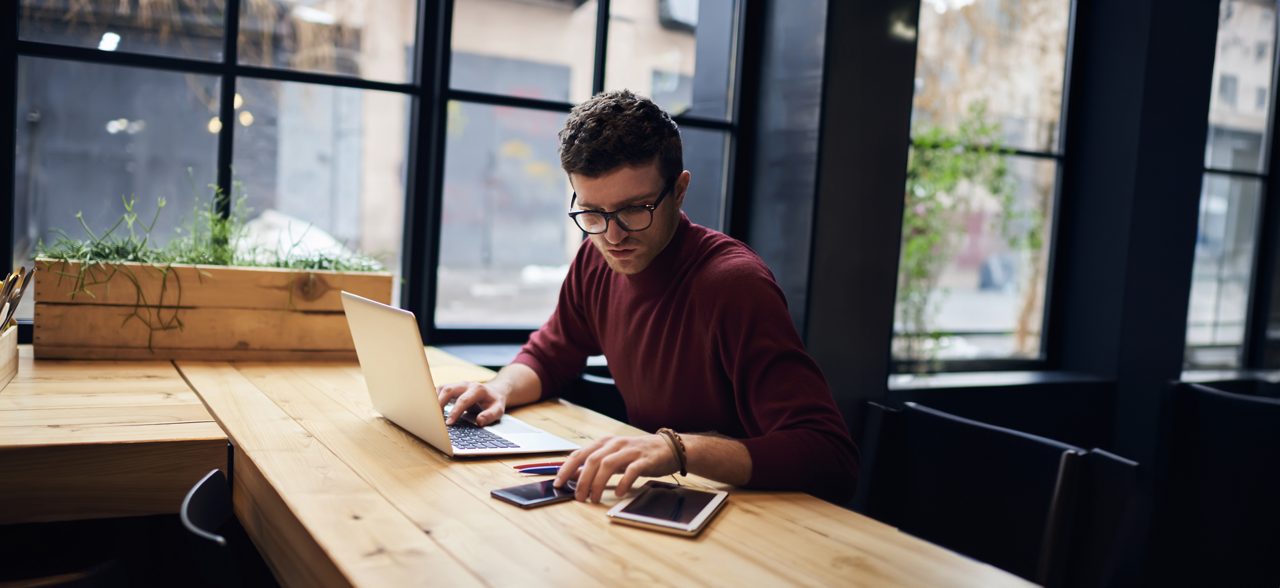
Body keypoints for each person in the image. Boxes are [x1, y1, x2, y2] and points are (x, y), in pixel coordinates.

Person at [437, 90, 859, 504]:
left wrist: (677, 450)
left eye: (635, 209)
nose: (613, 235)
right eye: (592, 212)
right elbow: (552, 352)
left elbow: (829, 455)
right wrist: (501, 388)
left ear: (679, 190)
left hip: (756, 515)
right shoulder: (595, 258)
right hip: (666, 499)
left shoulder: (734, 286)